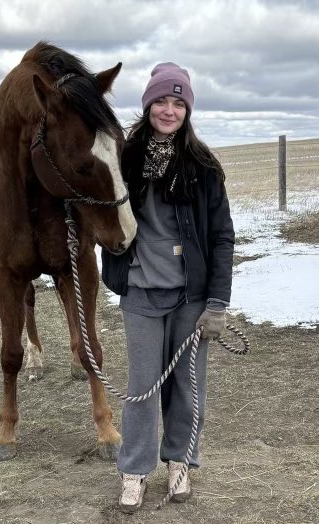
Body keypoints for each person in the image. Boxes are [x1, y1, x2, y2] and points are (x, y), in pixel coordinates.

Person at [101, 62, 235, 513]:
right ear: (148, 103)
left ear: (188, 109)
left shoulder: (203, 167)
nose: (170, 109)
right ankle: (134, 471)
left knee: (188, 387)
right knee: (142, 388)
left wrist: (217, 302)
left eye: (179, 102)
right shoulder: (122, 159)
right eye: (162, 99)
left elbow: (221, 236)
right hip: (139, 291)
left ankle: (179, 461)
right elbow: (92, 206)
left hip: (190, 299)